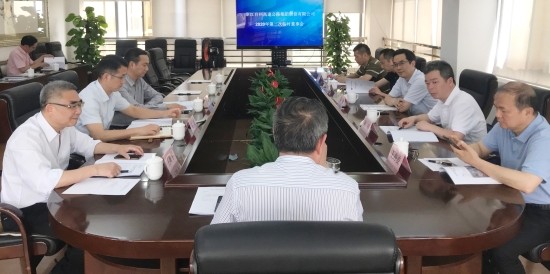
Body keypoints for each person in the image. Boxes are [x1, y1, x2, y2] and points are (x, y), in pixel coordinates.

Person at [0, 80, 144, 273]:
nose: (78, 111)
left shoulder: (64, 127)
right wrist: (95, 170)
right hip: (27, 212)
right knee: (88, 235)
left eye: (79, 104)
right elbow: (45, 181)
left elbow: (89, 145)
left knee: (105, 211)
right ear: (50, 108)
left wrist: (118, 148)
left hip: (56, 197)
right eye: (72, 106)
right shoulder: (25, 138)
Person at [211, 97, 363, 223]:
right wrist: (324, 169)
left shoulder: (240, 184)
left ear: (275, 135)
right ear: (321, 142)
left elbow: (214, 243)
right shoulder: (347, 189)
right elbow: (356, 245)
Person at [450, 82, 550, 274]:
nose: (497, 115)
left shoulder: (544, 138)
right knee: (478, 235)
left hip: (541, 211)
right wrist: (466, 150)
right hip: (511, 199)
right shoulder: (505, 126)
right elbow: (481, 148)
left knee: (502, 252)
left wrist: (477, 162)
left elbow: (528, 184)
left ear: (527, 112)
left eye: (503, 110)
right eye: (496, 108)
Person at [76, 55, 181, 141]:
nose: (124, 82)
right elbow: (99, 135)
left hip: (98, 144)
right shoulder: (89, 98)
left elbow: (134, 110)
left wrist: (164, 113)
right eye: (121, 77)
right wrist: (139, 130)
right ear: (106, 76)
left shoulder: (113, 93)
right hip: (82, 152)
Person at [397, 60, 486, 143]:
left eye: (435, 82)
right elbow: (429, 118)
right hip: (452, 147)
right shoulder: (443, 99)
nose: (430, 87)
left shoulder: (463, 103)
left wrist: (429, 127)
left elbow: (456, 137)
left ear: (450, 81)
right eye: (427, 83)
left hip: (472, 152)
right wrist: (413, 119)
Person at [112, 48, 186, 127]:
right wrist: (165, 107)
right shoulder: (120, 85)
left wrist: (147, 106)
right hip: (122, 127)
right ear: (132, 65)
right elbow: (135, 109)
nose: (147, 69)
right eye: (144, 65)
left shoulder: (139, 80)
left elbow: (158, 96)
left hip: (140, 121)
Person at [383, 49, 437, 115]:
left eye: (402, 63)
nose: (398, 68)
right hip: (412, 117)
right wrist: (394, 101)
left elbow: (402, 108)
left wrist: (394, 101)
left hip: (429, 120)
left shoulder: (421, 80)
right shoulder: (402, 78)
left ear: (412, 63)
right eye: (395, 64)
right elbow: (387, 98)